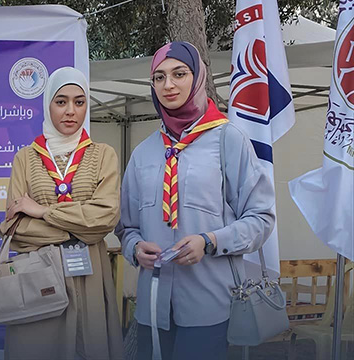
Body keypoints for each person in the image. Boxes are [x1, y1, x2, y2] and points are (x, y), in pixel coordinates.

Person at [115, 41, 275, 360]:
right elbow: (126, 227)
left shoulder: (228, 140)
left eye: (179, 74)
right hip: (152, 308)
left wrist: (210, 241)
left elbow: (261, 218)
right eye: (159, 77)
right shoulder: (143, 152)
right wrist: (134, 248)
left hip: (208, 306)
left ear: (198, 77)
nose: (168, 85)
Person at [0, 67, 123, 360]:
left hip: (90, 276)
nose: (70, 111)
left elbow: (106, 217)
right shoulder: (25, 158)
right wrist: (81, 228)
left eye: (79, 102)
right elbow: (16, 228)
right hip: (40, 275)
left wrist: (42, 211)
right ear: (48, 105)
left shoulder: (103, 154)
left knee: (87, 347)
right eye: (61, 101)